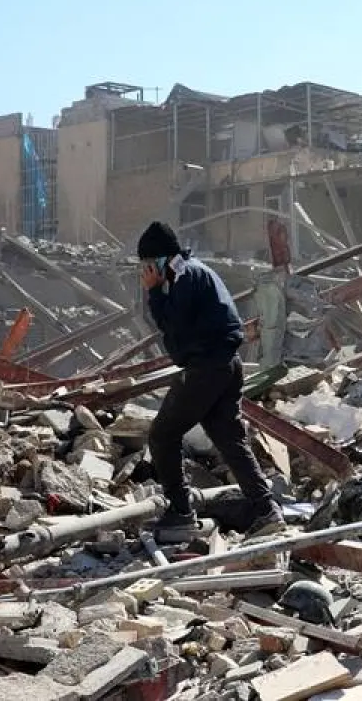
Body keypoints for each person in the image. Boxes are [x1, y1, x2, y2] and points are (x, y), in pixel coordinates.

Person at [137, 221, 284, 539]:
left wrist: (154, 293)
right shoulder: (195, 272)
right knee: (229, 438)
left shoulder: (184, 278)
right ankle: (266, 509)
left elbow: (173, 326)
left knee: (162, 435)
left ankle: (180, 512)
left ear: (158, 258)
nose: (146, 271)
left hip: (206, 367)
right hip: (227, 364)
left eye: (147, 264)